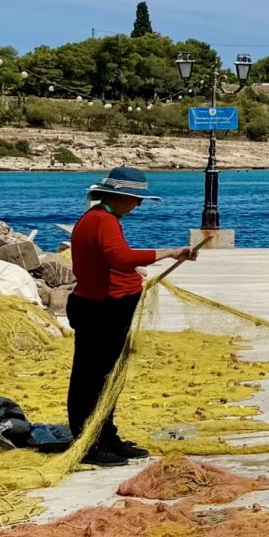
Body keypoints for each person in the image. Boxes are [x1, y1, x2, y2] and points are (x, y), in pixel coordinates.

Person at [67, 166, 194, 465]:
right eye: (136, 199)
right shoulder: (102, 221)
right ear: (120, 197)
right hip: (100, 308)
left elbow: (110, 260)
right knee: (92, 378)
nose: (138, 205)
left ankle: (106, 436)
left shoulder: (99, 218)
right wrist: (169, 252)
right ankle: (88, 443)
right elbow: (121, 259)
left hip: (104, 305)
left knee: (109, 375)